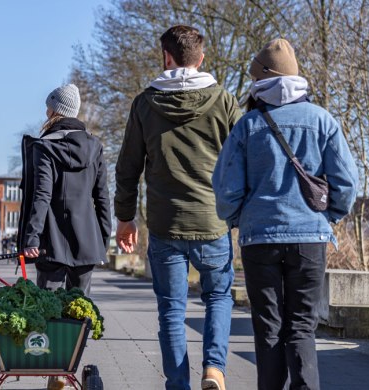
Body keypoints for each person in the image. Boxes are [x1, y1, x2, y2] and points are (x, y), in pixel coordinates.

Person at [213, 38, 358, 390]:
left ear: (260, 82)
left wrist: (237, 218)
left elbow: (225, 187)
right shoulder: (323, 121)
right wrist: (328, 217)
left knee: (268, 327)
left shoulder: (247, 126)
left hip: (259, 238)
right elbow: (347, 183)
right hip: (310, 238)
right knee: (302, 326)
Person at [114, 25, 241, 390]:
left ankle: (178, 385)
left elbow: (128, 168)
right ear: (200, 59)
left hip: (165, 225)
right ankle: (214, 369)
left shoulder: (144, 104)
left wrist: (126, 218)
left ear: (167, 58)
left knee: (172, 310)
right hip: (213, 222)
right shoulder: (223, 101)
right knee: (218, 296)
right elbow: (241, 161)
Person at [20, 84, 112, 294]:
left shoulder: (45, 147)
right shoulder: (95, 147)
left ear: (55, 110)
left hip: (51, 241)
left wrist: (32, 236)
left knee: (49, 308)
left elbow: (42, 195)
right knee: (80, 311)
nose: (46, 112)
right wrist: (103, 239)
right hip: (87, 240)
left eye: (48, 108)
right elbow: (102, 197)